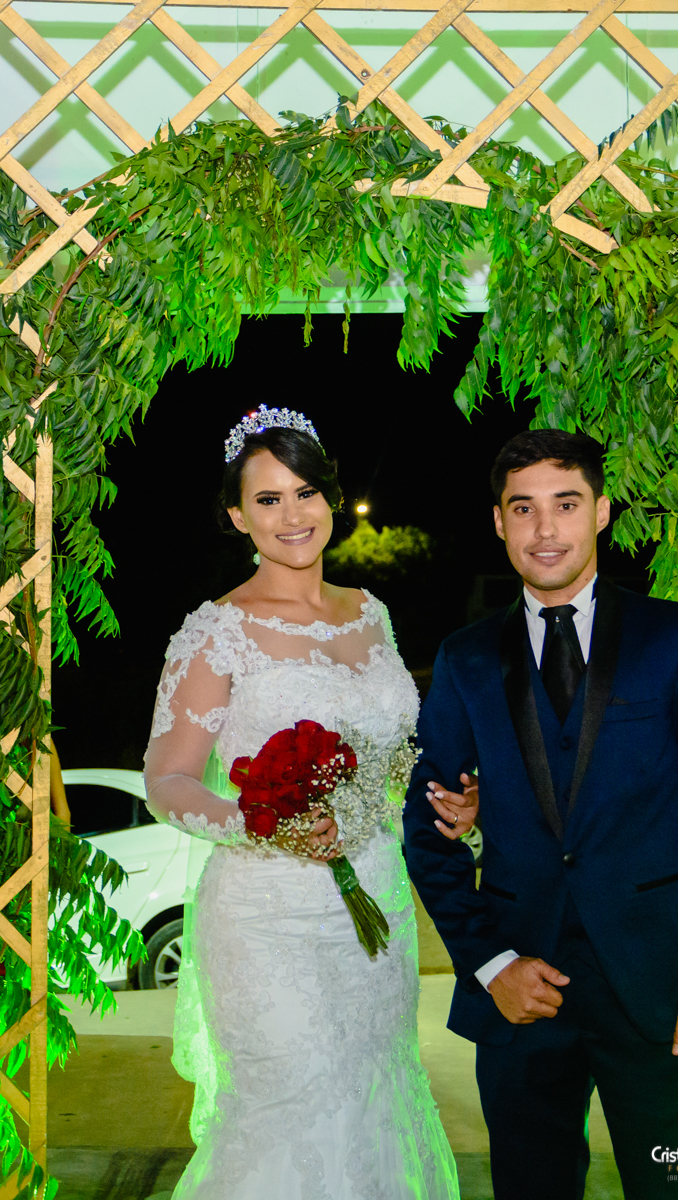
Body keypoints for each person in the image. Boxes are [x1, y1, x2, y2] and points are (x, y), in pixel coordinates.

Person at [402, 428, 678, 1200]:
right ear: (498, 522)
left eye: (565, 505)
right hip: (520, 995)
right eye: (523, 508)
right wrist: (491, 965)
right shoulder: (466, 658)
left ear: (600, 512)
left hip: (661, 991)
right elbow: (427, 833)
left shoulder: (675, 638)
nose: (545, 529)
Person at [143, 407, 462, 1200]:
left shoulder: (371, 613)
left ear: (330, 498)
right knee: (291, 1118)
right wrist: (264, 823)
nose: (292, 515)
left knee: (376, 1103)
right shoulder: (215, 633)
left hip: (376, 906)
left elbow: (390, 758)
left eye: (306, 492)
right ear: (237, 516)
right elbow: (169, 782)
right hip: (267, 922)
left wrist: (447, 795)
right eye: (268, 499)